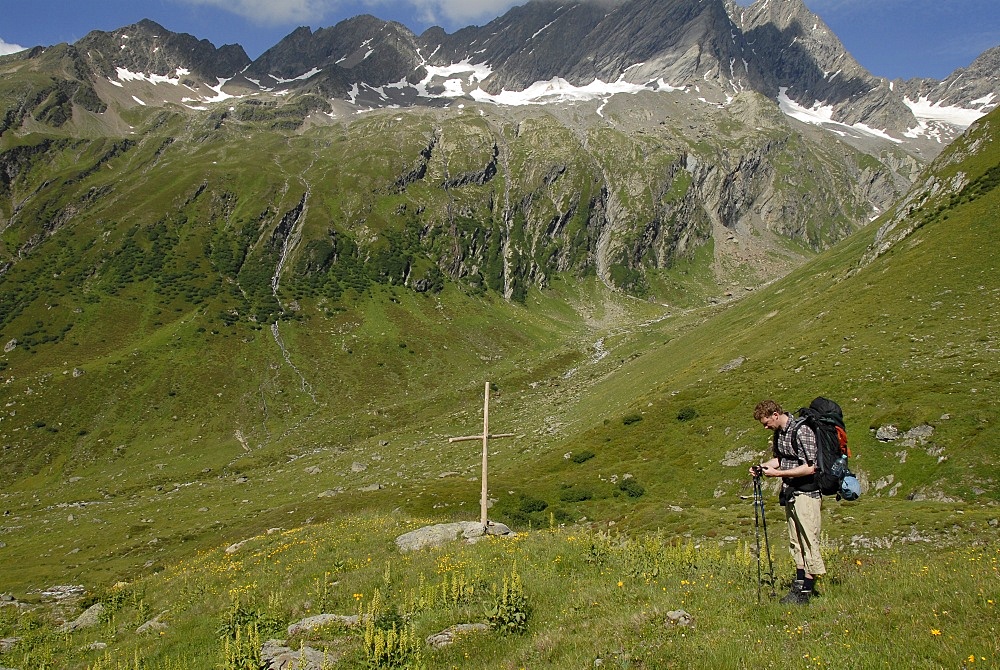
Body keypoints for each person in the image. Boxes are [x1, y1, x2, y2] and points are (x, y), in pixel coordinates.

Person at [751, 399, 826, 604]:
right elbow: (782, 459)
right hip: (791, 492)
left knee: (809, 539)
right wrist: (762, 467)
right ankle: (799, 582)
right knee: (796, 540)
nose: (766, 427)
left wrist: (778, 474)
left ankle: (807, 591)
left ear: (776, 415)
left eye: (767, 423)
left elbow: (811, 466)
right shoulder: (780, 434)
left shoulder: (802, 431)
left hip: (808, 492)